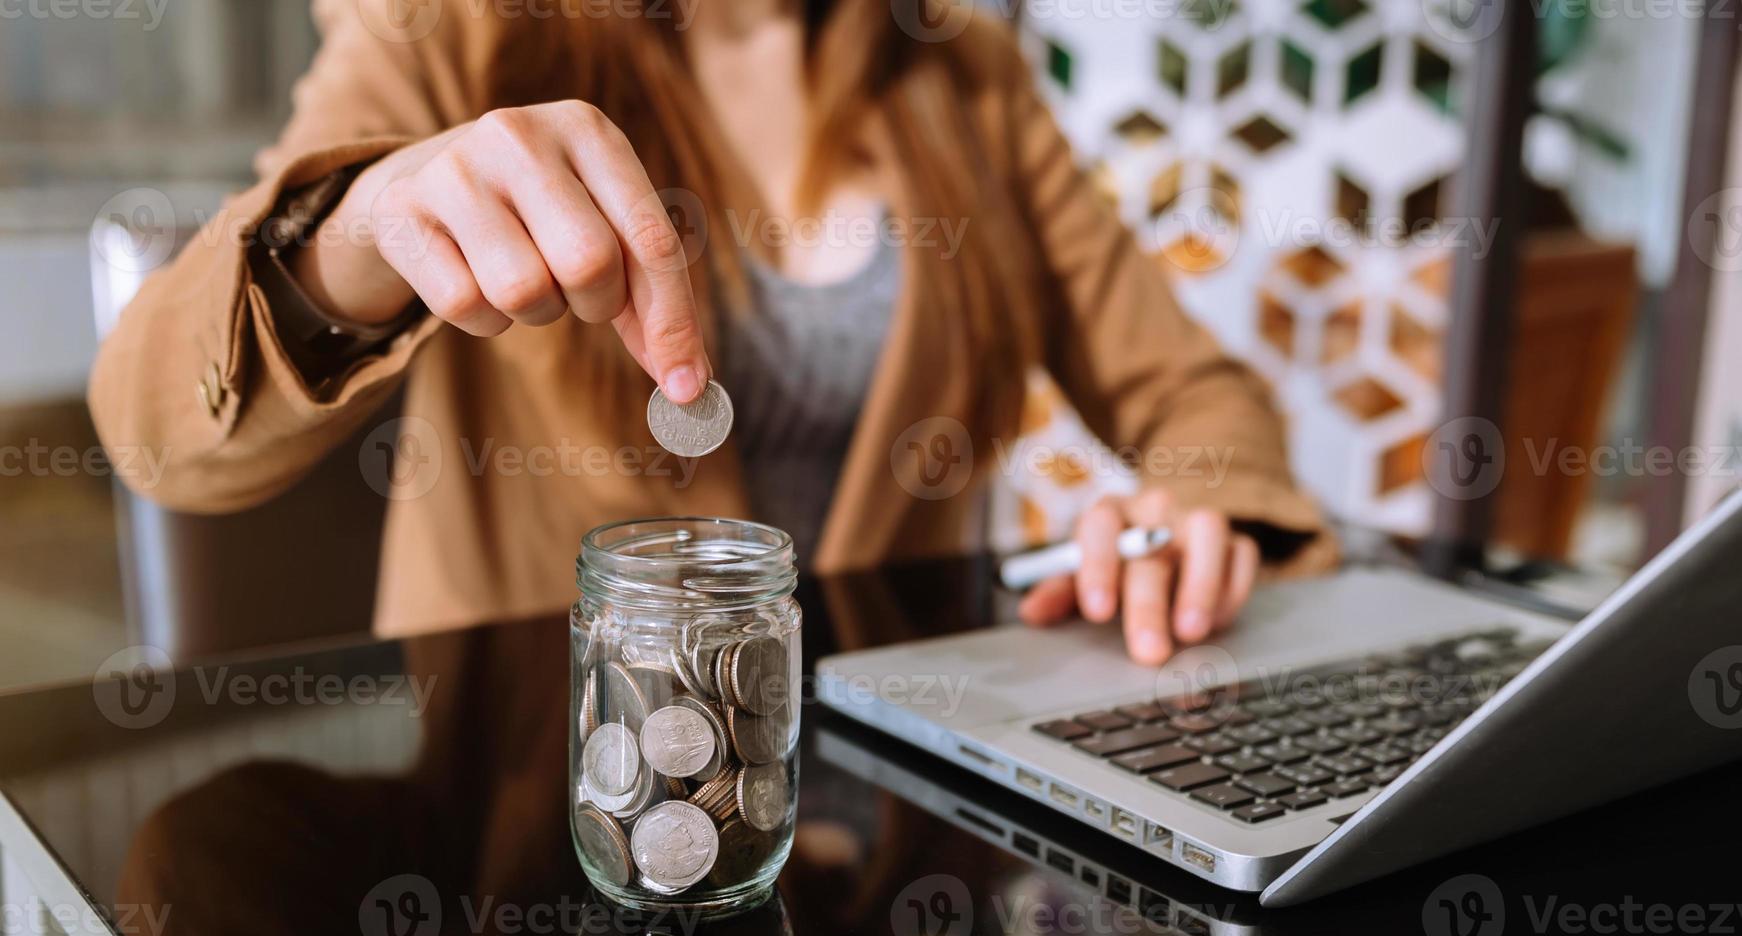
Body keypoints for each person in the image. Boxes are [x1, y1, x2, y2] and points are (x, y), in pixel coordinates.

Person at [89, 0, 1334, 663]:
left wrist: (1194, 509)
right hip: (550, 791)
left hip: (888, 813)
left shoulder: (965, 73)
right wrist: (360, 228)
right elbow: (154, 435)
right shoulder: (458, 25)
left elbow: (1190, 394)